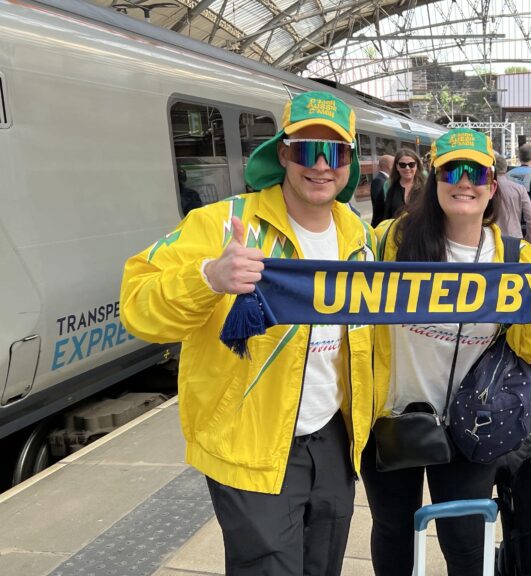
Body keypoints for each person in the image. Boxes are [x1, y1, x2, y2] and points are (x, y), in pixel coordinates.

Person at [120, 91, 377, 576]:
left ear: (350, 162)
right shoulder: (219, 224)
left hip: (333, 441)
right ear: (282, 153)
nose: (320, 166)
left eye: (335, 152)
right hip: (251, 442)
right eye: (305, 150)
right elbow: (137, 308)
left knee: (323, 567)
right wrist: (207, 279)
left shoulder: (358, 235)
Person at [363, 128, 531, 576]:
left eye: (476, 172)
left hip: (470, 423)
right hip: (390, 416)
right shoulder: (391, 241)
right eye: (451, 170)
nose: (464, 182)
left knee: (465, 542)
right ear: (433, 180)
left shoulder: (513, 254)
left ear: (492, 185)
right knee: (393, 532)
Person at [493, 153, 531, 240]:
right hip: (515, 239)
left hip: (490, 239)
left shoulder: (485, 189)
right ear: (505, 168)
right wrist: (528, 239)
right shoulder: (520, 189)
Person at [382, 148, 425, 221]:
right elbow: (386, 217)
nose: (407, 168)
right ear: (397, 167)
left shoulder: (425, 188)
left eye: (411, 164)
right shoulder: (391, 190)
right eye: (402, 165)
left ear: (417, 166)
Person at [370, 154, 393, 226]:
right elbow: (380, 204)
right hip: (380, 224)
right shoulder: (379, 180)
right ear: (389, 166)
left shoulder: (385, 179)